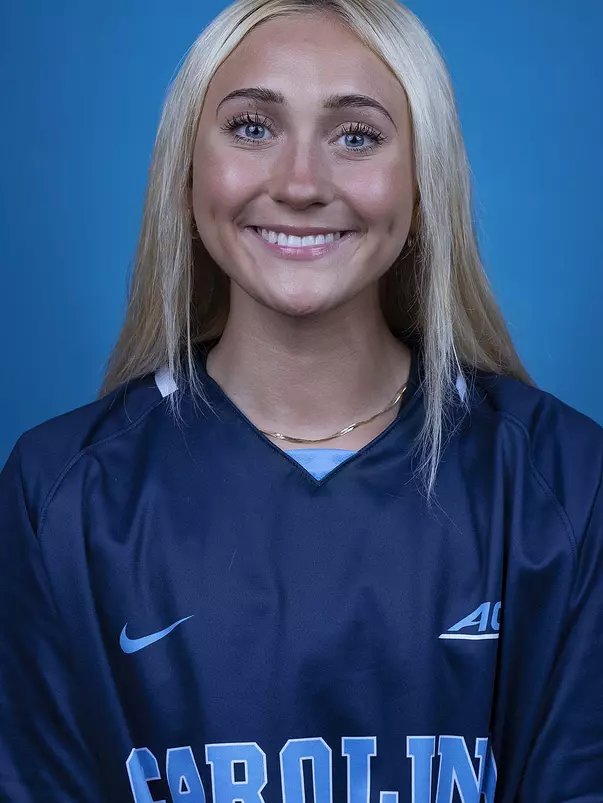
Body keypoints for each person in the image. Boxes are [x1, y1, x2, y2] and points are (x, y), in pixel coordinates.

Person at [1, 0, 602, 800]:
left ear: (424, 181)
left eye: (356, 136)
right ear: (187, 169)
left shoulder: (564, 483)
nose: (299, 183)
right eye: (252, 127)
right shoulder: (58, 492)